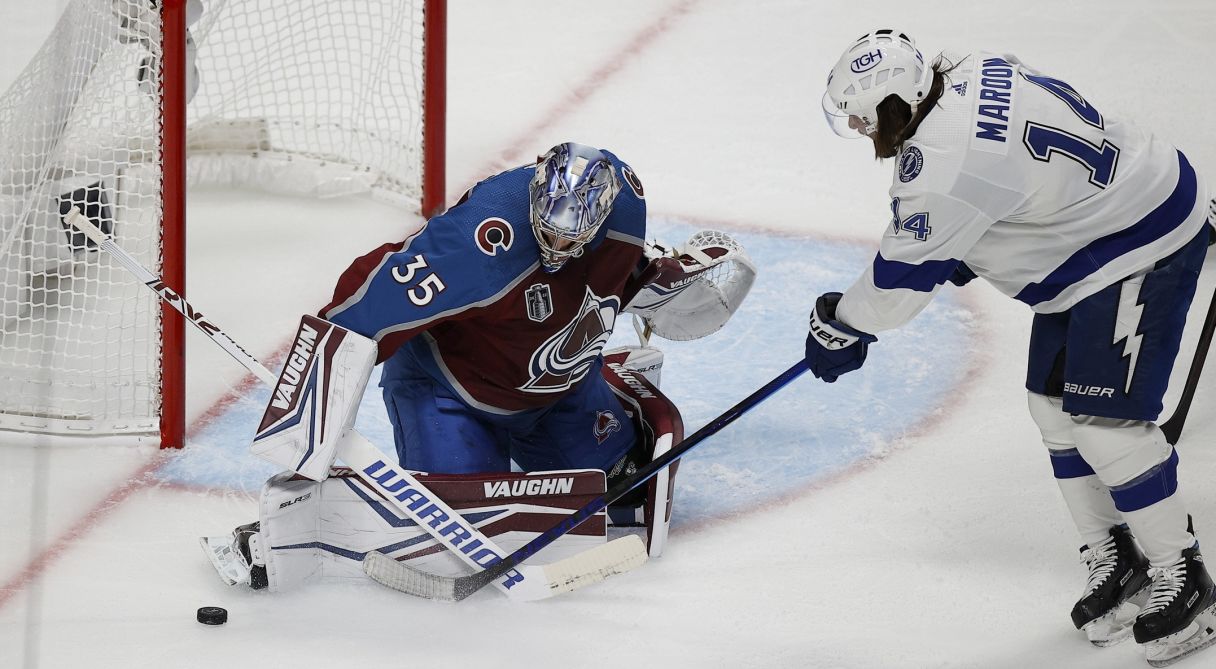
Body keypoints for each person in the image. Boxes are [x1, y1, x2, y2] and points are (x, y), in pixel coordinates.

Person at [809, 29, 1216, 664]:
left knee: (1105, 423)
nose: (861, 127)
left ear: (897, 104)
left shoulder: (940, 170)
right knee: (1050, 403)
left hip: (1141, 241)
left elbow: (895, 286)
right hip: (1095, 228)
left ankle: (1185, 579)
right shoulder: (976, 68)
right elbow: (1021, 171)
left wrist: (842, 324)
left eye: (865, 115)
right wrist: (967, 242)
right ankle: (1119, 554)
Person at [202, 142, 755, 591]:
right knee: (459, 538)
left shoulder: (625, 209)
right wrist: (309, 419)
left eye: (574, 237)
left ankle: (614, 381)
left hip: (560, 383)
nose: (559, 248)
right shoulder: (479, 240)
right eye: (550, 232)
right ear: (536, 195)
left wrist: (654, 280)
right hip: (449, 390)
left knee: (617, 494)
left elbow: (617, 274)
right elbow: (364, 311)